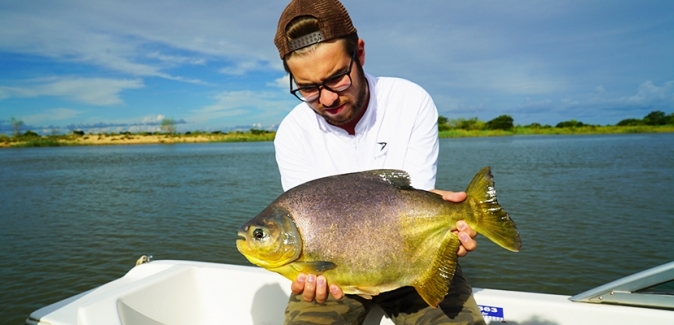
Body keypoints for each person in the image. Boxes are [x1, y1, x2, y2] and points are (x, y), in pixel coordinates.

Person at [272, 0, 484, 323]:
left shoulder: (411, 102)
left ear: (360, 52)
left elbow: (415, 199)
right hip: (334, 274)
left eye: (337, 77)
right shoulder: (290, 134)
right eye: (308, 88)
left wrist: (448, 229)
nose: (327, 98)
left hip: (413, 256)